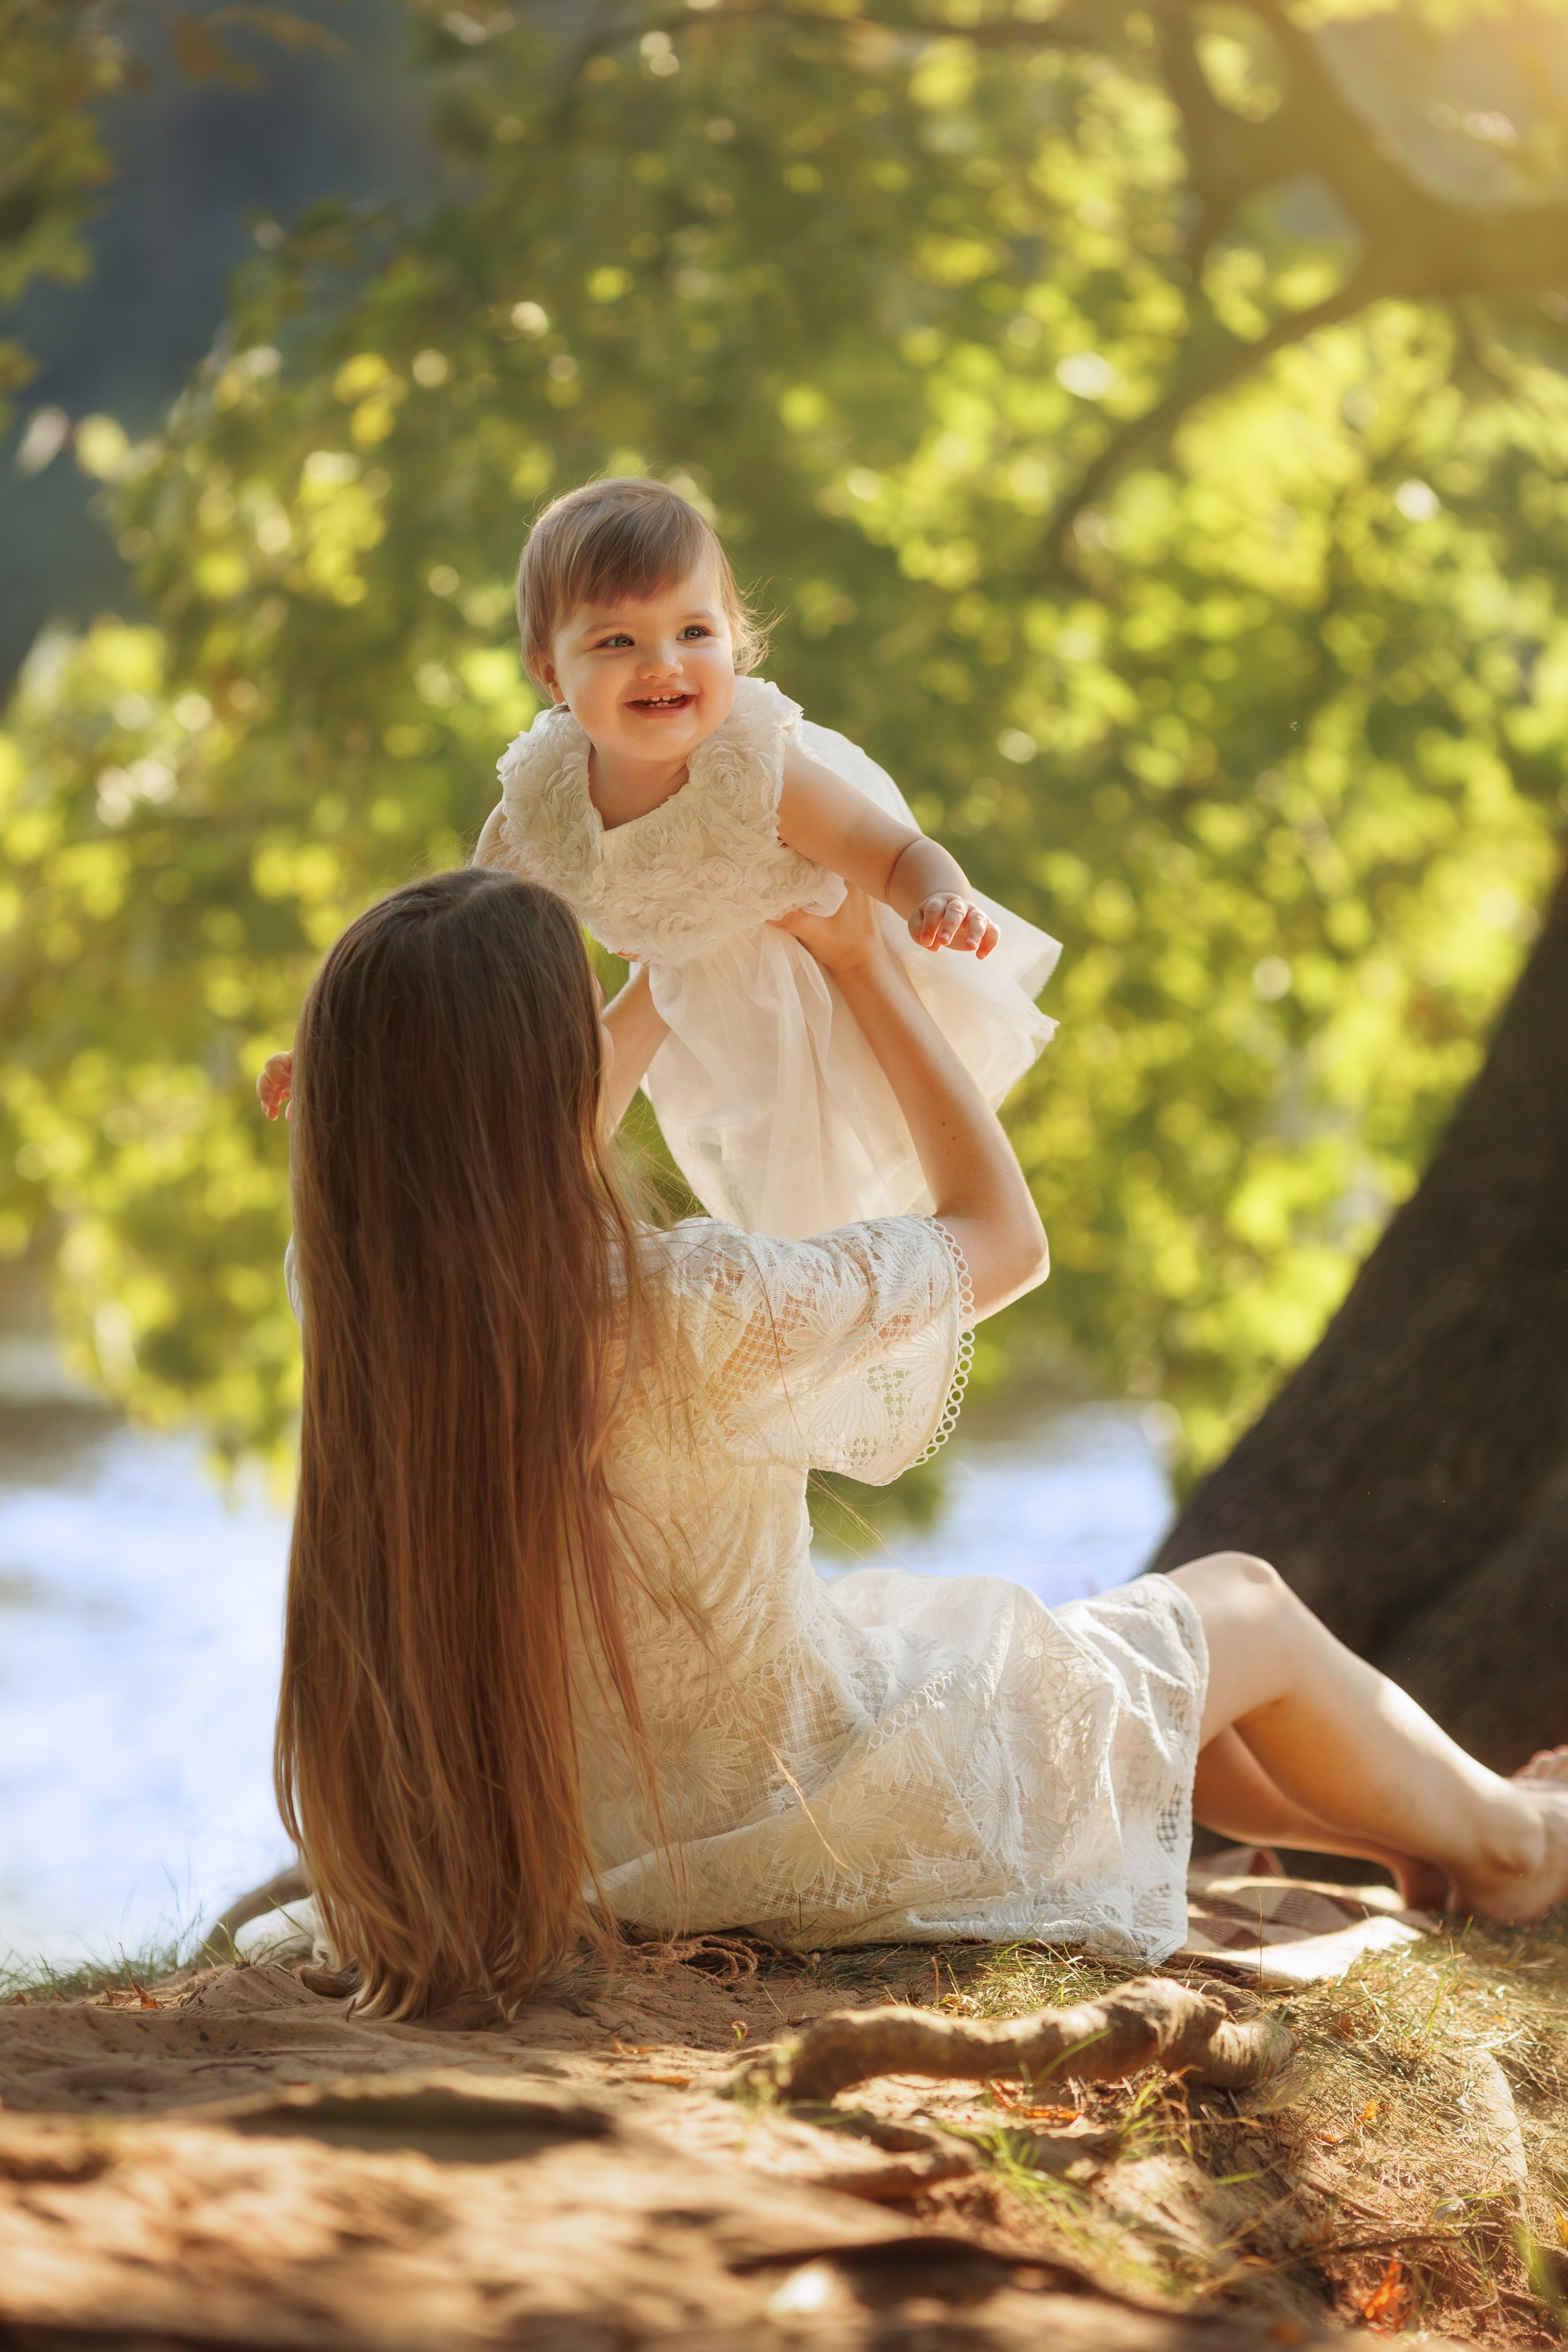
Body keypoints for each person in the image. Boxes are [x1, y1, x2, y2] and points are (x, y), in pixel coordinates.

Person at [262, 868, 1568, 2021]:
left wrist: (666, 972)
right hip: (792, 1815)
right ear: (549, 1080)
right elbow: (1004, 1239)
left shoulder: (354, 1305)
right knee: (1248, 1607)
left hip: (579, 1839)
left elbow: (490, 1161)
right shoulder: (690, 1306)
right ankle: (1511, 1844)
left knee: (1110, 1669)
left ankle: (1425, 1846)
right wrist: (864, 966)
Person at [469, 475, 1058, 1239]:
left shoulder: (753, 775)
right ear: (549, 668)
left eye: (693, 633)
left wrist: (937, 897)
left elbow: (895, 854)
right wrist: (337, 1058)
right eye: (617, 641)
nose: (661, 663)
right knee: (546, 1124)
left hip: (819, 984)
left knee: (839, 1190)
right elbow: (456, 955)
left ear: (732, 640)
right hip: (695, 996)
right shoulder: (536, 806)